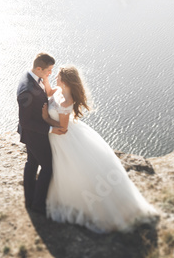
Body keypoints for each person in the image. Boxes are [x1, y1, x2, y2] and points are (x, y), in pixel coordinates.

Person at [42, 65, 161, 233]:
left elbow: (62, 128)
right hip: (58, 139)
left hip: (63, 139)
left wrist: (46, 119)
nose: (56, 78)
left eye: (58, 76)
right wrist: (45, 78)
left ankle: (85, 206)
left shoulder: (66, 101)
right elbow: (49, 92)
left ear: (66, 81)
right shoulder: (59, 91)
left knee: (73, 171)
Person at [16, 52, 67, 215]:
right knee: (48, 167)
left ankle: (29, 199)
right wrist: (51, 129)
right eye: (48, 71)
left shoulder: (33, 77)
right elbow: (25, 122)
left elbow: (46, 92)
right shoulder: (26, 90)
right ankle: (38, 205)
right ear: (39, 68)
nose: (50, 74)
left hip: (34, 132)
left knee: (31, 163)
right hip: (34, 134)